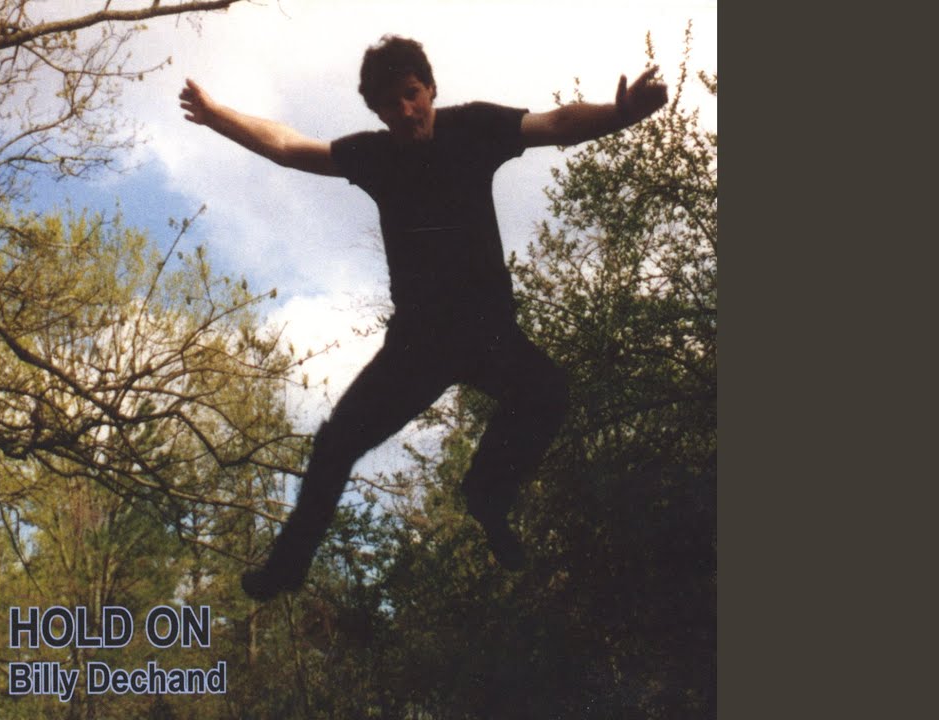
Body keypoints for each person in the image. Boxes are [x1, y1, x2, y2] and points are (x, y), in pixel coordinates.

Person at [179, 35, 668, 600]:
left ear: (431, 88)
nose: (407, 111)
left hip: (489, 334)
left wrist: (621, 114)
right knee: (336, 444)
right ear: (377, 111)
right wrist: (215, 115)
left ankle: (487, 493)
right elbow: (287, 146)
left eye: (412, 94)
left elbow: (557, 124)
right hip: (419, 346)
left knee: (548, 391)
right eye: (391, 104)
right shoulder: (374, 156)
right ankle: (287, 567)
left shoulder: (475, 128)